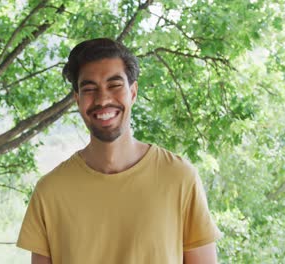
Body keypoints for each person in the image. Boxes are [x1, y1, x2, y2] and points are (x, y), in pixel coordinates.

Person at [16, 38, 221, 264]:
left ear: (133, 92)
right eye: (89, 89)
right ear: (78, 100)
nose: (102, 99)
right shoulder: (50, 191)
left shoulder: (179, 178)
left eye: (114, 85)